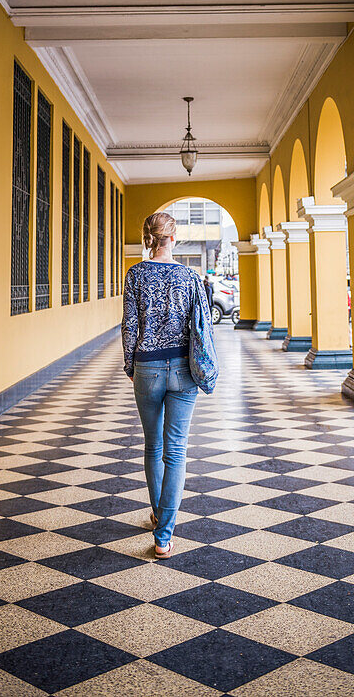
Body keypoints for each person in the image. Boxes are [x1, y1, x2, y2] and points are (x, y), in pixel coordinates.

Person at [122, 211, 212, 558]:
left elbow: (129, 325)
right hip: (184, 371)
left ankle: (158, 511)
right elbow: (203, 328)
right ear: (173, 238)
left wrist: (131, 364)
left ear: (149, 238)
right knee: (176, 450)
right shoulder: (190, 276)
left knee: (152, 446)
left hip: (147, 367)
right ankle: (163, 536)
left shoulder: (135, 274)